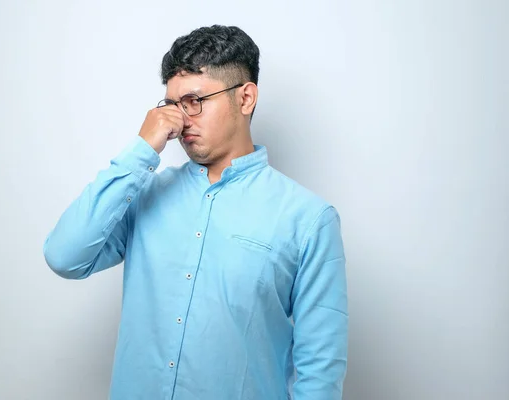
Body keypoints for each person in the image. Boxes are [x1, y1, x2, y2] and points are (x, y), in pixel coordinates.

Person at [43, 24, 348, 400]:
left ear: (245, 98)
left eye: (194, 101)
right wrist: (142, 150)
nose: (181, 119)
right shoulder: (143, 194)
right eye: (172, 105)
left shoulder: (308, 219)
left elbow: (319, 368)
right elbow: (64, 256)